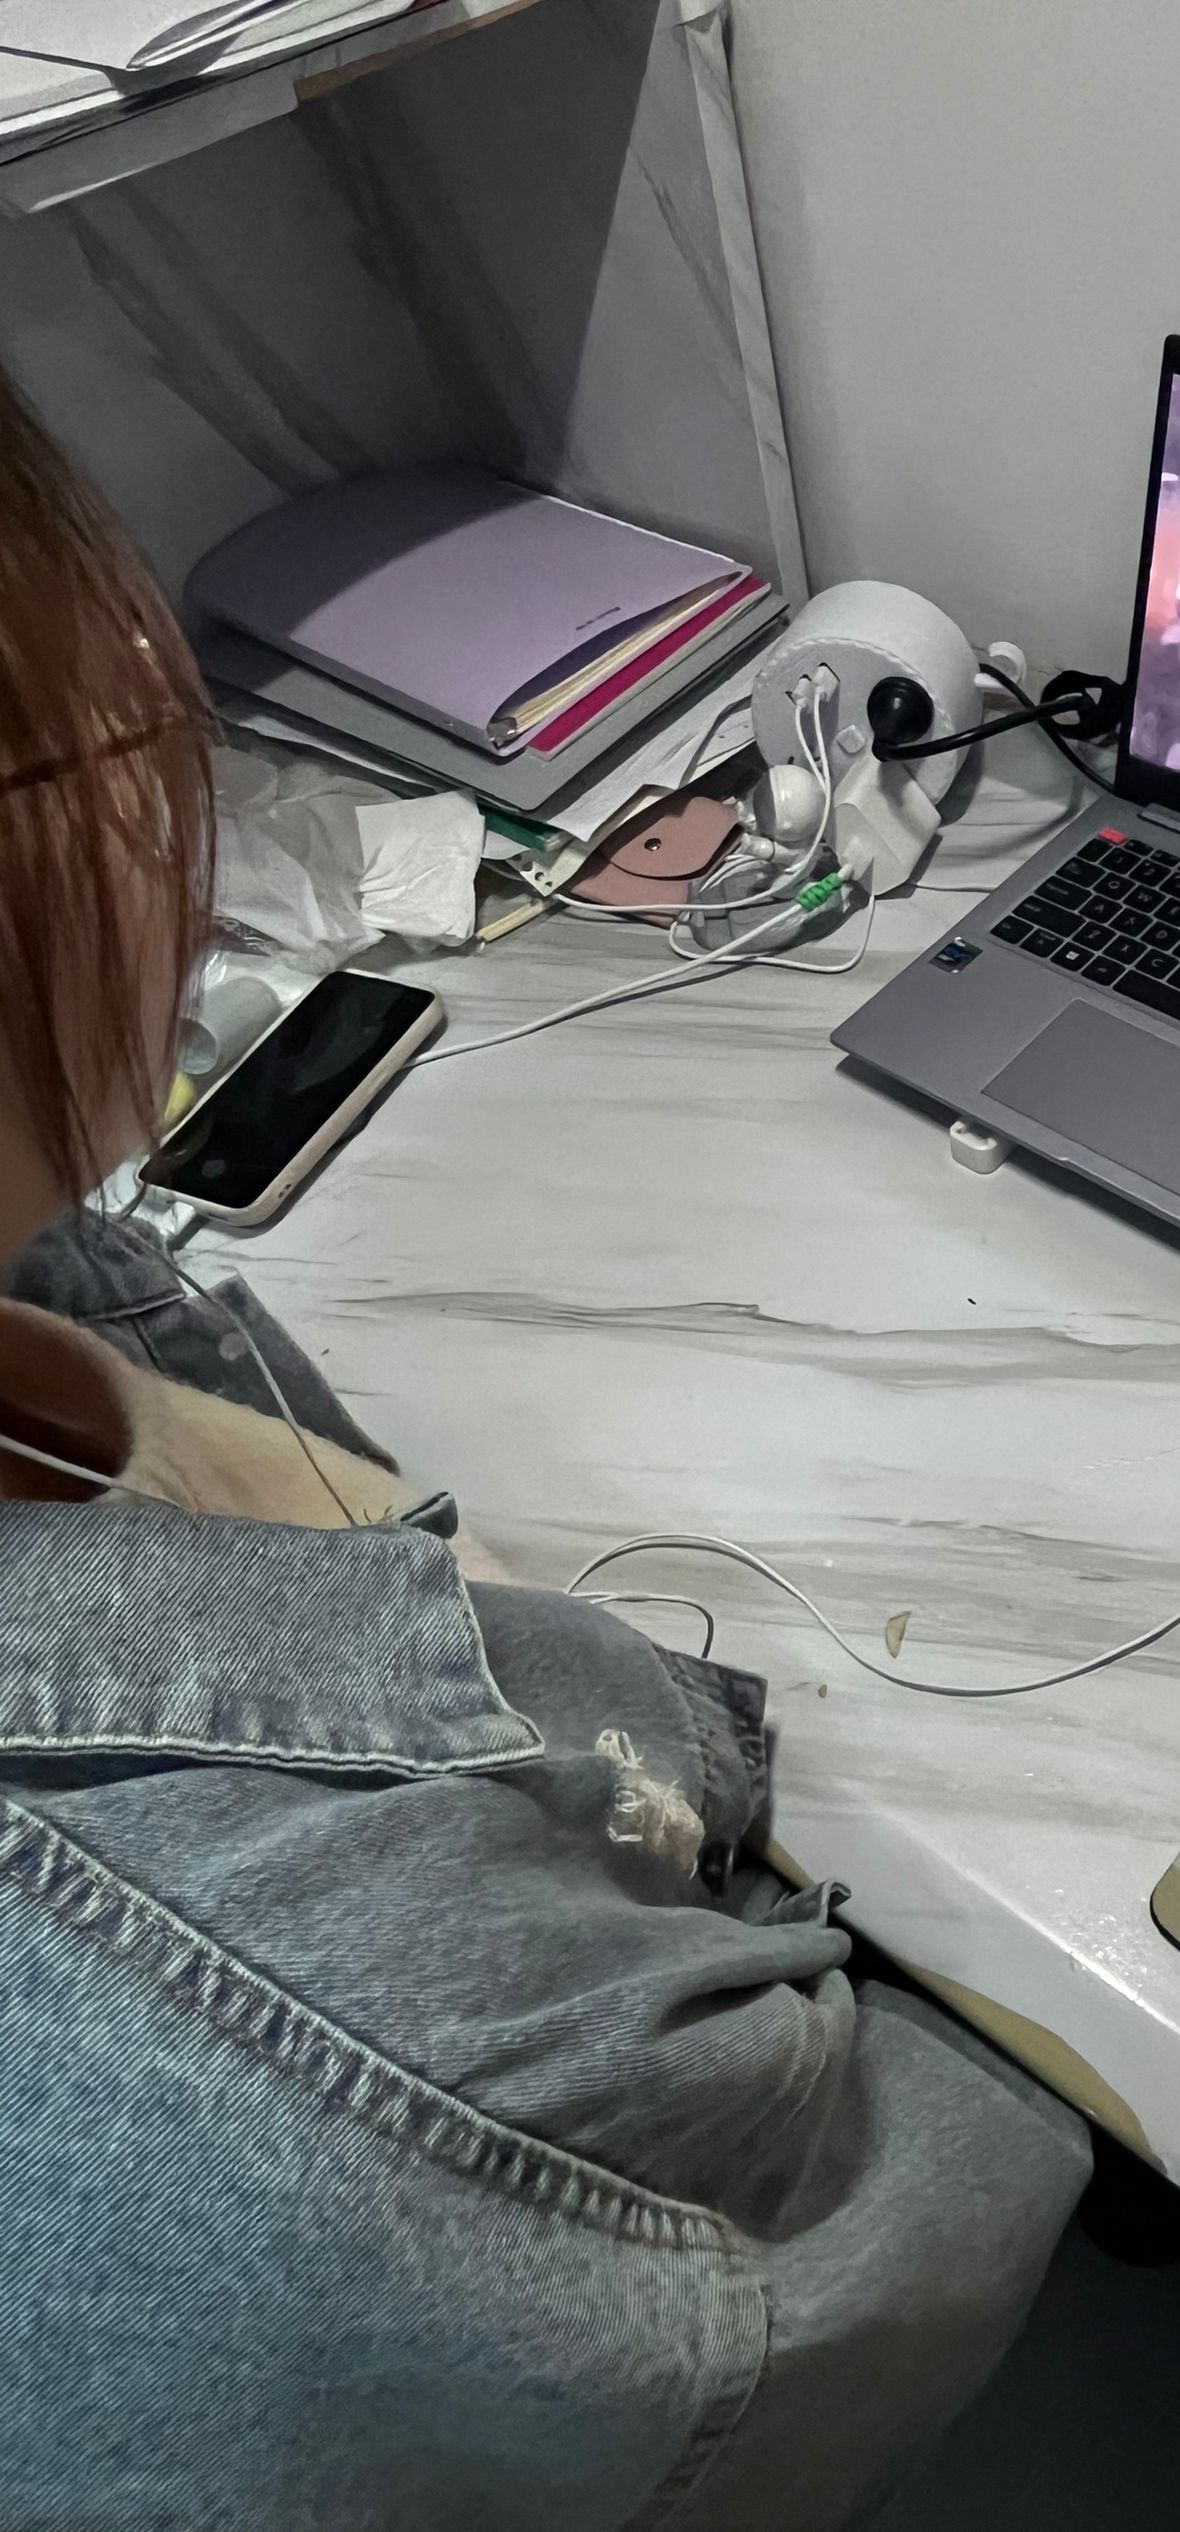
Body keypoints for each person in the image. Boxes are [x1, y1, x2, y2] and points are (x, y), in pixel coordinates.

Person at [0, 373, 1088, 2530]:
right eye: (114, 711)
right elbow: (899, 2236)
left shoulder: (59, 1264)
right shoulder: (346, 2019)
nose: (169, 763)